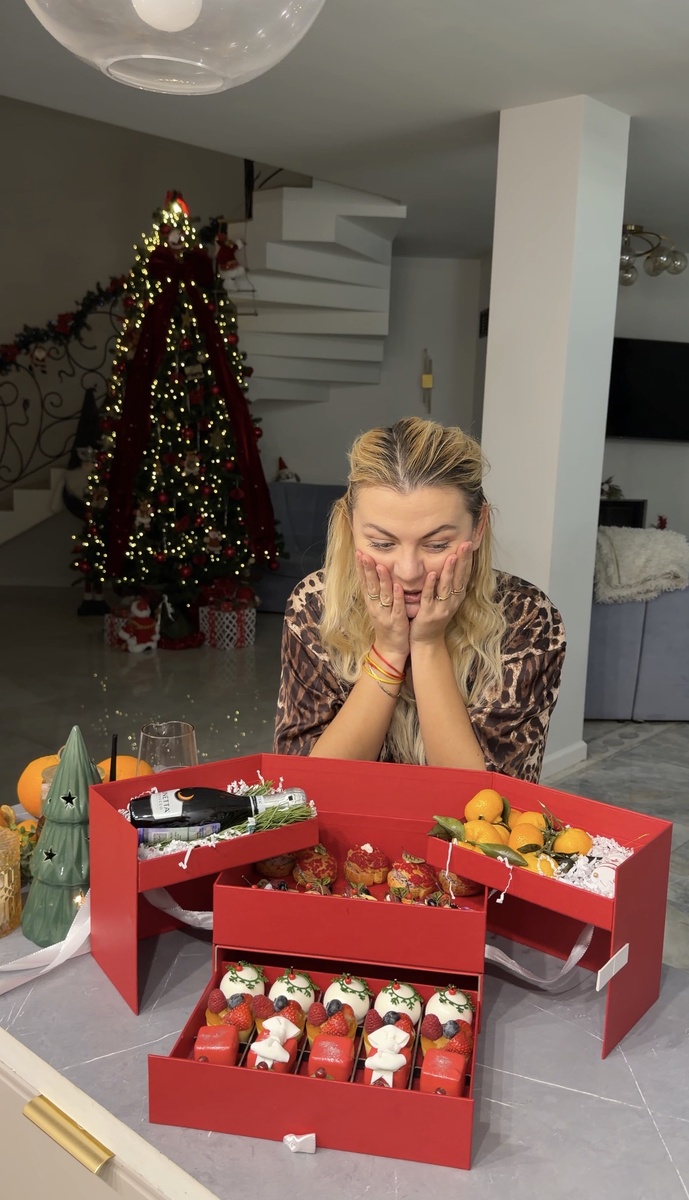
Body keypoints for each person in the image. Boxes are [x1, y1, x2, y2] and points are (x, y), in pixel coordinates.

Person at [274, 416, 565, 782]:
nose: (409, 572)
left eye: (437, 544)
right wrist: (389, 650)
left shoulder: (528, 618)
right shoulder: (314, 605)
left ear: (478, 527)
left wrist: (427, 644)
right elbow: (306, 785)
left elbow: (486, 800)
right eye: (382, 544)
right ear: (350, 527)